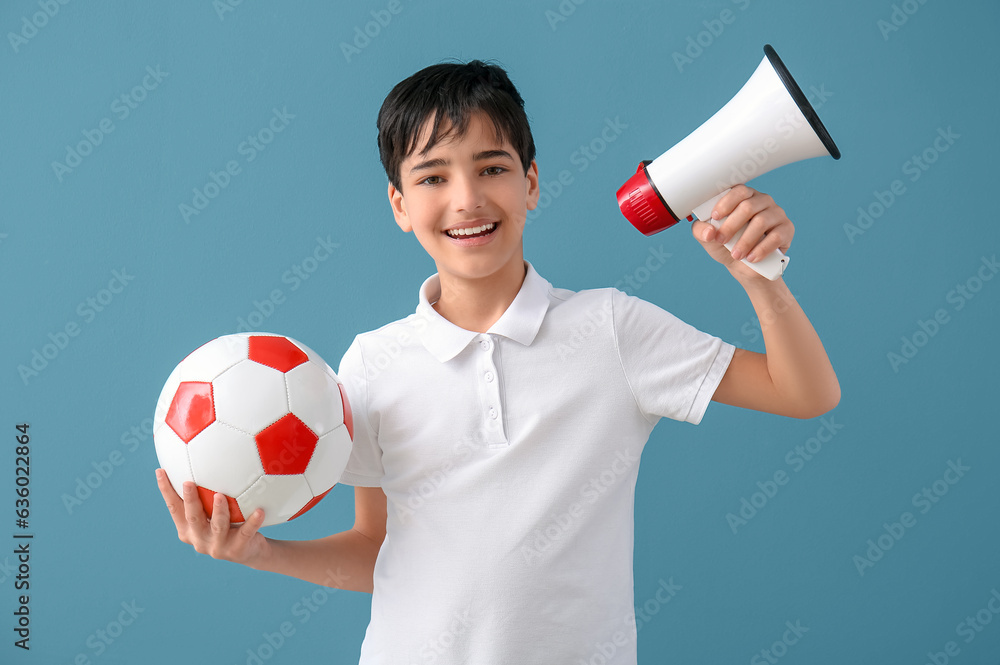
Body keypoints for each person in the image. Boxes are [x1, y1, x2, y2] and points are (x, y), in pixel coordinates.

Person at [156, 60, 839, 664]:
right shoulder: (372, 361)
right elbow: (378, 550)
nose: (467, 199)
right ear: (399, 205)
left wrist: (760, 279)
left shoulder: (611, 327)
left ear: (531, 183)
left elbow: (805, 392)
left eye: (492, 168)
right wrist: (261, 552)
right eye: (432, 176)